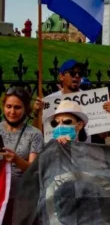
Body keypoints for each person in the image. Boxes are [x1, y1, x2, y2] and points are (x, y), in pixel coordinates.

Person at [1, 87, 43, 224]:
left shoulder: (34, 134)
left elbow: (33, 170)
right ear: (3, 107)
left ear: (26, 109)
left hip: (20, 198)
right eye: (9, 106)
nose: (12, 112)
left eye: (17, 107)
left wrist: (16, 159)